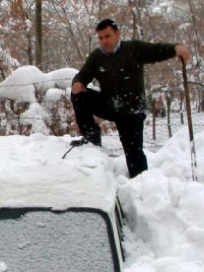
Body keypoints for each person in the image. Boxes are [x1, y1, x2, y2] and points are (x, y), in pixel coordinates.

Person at [70, 18, 190, 178]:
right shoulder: (96, 57)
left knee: (134, 156)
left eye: (107, 36)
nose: (104, 41)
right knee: (78, 94)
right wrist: (77, 82)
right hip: (109, 105)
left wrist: (177, 49)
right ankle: (91, 135)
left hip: (131, 112)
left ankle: (141, 186)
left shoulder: (133, 49)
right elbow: (82, 75)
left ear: (118, 34)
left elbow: (156, 51)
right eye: (101, 38)